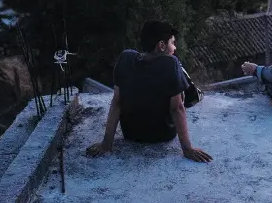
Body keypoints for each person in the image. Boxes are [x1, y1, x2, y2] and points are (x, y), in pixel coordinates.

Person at [86, 21, 212, 162]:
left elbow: (117, 102)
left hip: (131, 133)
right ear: (161, 45)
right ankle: (195, 94)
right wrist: (188, 149)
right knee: (178, 78)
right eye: (172, 43)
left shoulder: (125, 58)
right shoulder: (171, 64)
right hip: (162, 135)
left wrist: (106, 144)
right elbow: (177, 108)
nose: (175, 48)